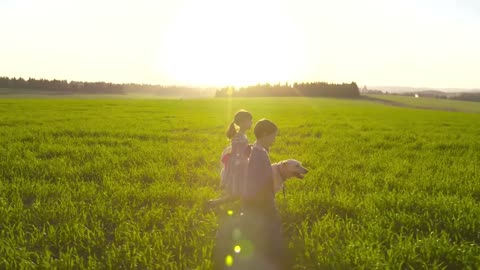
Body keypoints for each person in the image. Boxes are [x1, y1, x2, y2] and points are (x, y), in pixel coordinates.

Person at [240, 119, 291, 270]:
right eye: (273, 136)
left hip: (251, 200)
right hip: (261, 201)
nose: (275, 140)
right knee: (272, 226)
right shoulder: (260, 154)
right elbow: (262, 181)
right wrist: (269, 200)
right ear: (263, 134)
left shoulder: (257, 150)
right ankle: (274, 257)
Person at [206, 110, 253, 209]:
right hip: (240, 167)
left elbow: (240, 151)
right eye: (250, 121)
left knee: (240, 192)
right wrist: (249, 151)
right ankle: (214, 203)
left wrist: (249, 148)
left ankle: (214, 203)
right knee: (237, 193)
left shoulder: (241, 135)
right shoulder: (240, 136)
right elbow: (239, 154)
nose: (251, 123)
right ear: (243, 122)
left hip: (240, 164)